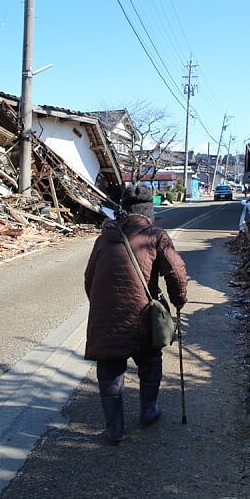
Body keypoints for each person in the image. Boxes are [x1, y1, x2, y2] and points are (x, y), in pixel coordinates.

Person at [83, 183, 188, 444]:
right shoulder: (155, 236)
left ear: (123, 210)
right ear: (148, 211)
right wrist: (178, 301)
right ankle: (148, 410)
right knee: (150, 360)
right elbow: (176, 273)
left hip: (106, 317)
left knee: (110, 370)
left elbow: (89, 278)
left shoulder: (104, 237)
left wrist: (101, 305)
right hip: (141, 316)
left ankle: (115, 429)